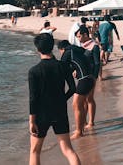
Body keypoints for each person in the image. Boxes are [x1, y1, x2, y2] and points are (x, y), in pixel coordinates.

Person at [28, 34, 80, 165]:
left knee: (35, 151)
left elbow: (33, 98)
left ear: (38, 50)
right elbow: (73, 88)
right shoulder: (63, 66)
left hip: (41, 113)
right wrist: (62, 99)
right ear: (52, 47)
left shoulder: (34, 71)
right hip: (60, 111)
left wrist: (31, 121)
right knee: (68, 150)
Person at [58, 39, 95, 139]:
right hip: (90, 77)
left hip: (84, 79)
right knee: (81, 104)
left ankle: (79, 132)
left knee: (76, 105)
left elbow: (61, 67)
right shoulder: (77, 50)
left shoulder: (67, 52)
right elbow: (80, 62)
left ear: (61, 49)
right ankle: (81, 127)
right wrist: (75, 69)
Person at [75, 26, 101, 132]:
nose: (78, 38)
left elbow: (97, 63)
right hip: (82, 76)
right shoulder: (81, 46)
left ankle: (91, 122)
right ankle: (83, 121)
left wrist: (94, 77)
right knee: (83, 99)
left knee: (89, 98)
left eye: (79, 36)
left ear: (86, 35)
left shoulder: (94, 46)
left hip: (90, 76)